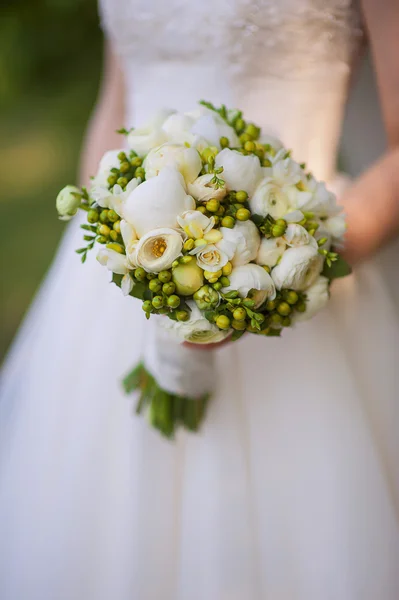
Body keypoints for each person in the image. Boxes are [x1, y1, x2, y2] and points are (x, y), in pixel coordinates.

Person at [1, 1, 398, 598]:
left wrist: (283, 267)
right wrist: (117, 250)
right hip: (118, 286)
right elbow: (118, 106)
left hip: (293, 275)